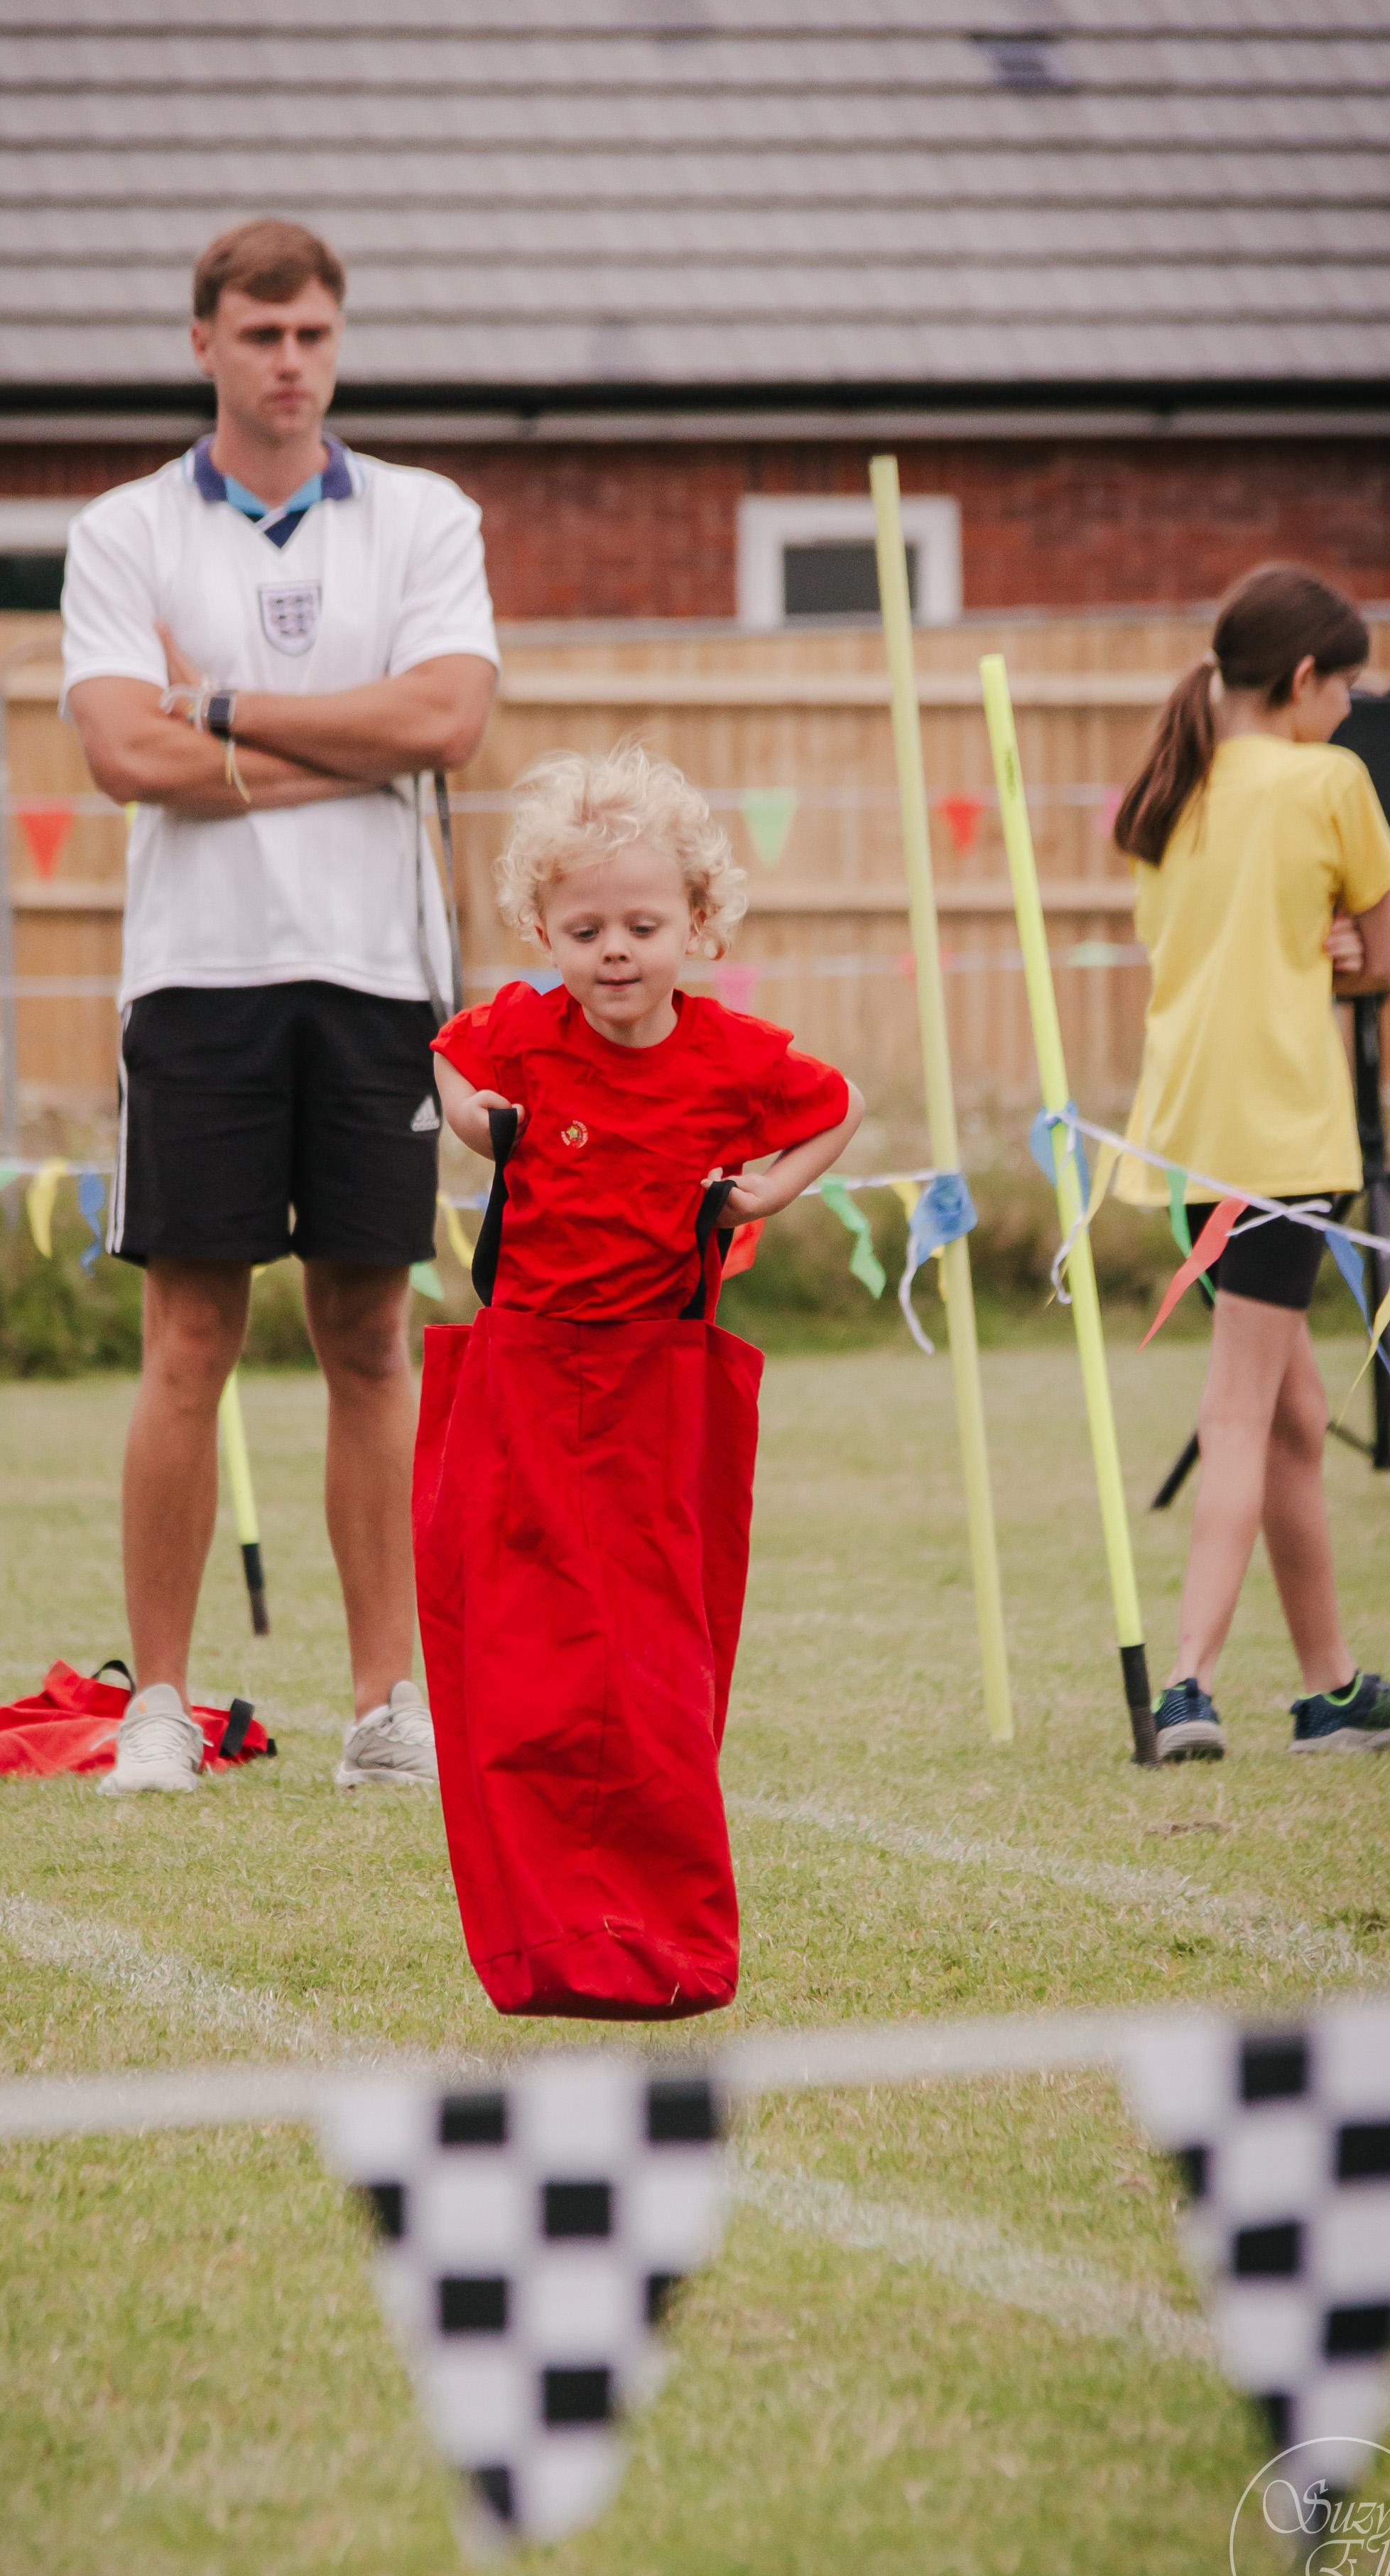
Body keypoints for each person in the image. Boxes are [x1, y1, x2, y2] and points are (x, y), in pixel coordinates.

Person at [60, 218, 500, 1797]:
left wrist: (232, 714)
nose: (290, 361)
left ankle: (385, 1707)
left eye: (312, 332)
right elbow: (126, 754)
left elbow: (449, 719)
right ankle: (160, 1710)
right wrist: (351, 748)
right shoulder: (123, 530)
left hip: (381, 979)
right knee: (191, 1335)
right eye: (260, 334)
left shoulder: (426, 514)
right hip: (197, 981)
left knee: (370, 1334)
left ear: (338, 337)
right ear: (205, 344)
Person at [418, 745, 864, 2015]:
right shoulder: (524, 1032)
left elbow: (839, 1103)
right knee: (528, 1665)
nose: (615, 952)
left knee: (651, 1672)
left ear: (698, 925)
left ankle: (664, 1928)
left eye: (643, 926)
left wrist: (766, 1192)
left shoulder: (731, 1057)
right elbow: (445, 1052)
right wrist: (475, 1120)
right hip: (523, 1378)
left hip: (657, 1392)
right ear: (542, 931)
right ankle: (547, 1933)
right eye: (585, 930)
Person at [1112, 563, 1390, 1763]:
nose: (1353, 709)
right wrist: (1339, 951)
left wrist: (1313, 944)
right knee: (1243, 1410)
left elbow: (1211, 950)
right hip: (1279, 1143)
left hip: (1185, 1142)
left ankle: (1330, 1693)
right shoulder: (1330, 781)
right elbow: (1388, 965)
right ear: (1305, 678)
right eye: (1347, 686)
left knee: (1296, 1417)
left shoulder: (1174, 791)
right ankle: (1188, 1688)